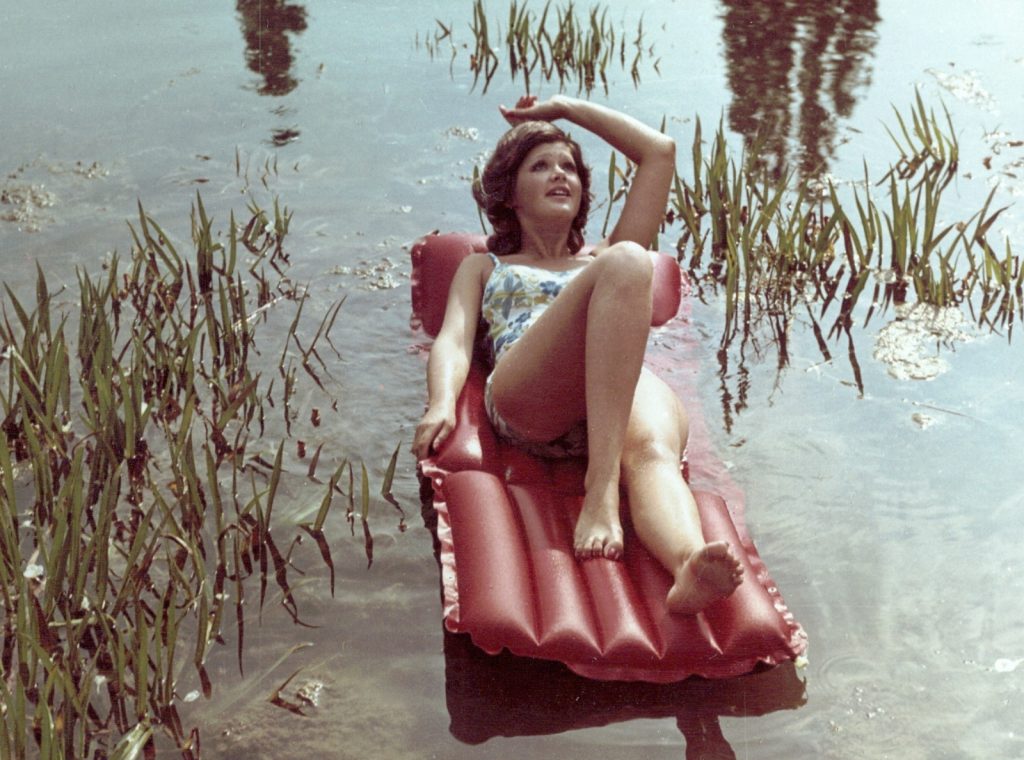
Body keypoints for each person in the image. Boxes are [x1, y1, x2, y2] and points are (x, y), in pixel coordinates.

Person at [412, 95, 743, 614]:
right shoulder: (486, 266)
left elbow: (659, 151)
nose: (559, 174)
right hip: (531, 396)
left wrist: (565, 109)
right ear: (511, 195)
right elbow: (454, 339)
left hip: (609, 403)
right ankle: (601, 487)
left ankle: (687, 564)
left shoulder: (602, 259)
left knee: (654, 451)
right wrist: (441, 404)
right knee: (628, 260)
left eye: (568, 166)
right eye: (540, 166)